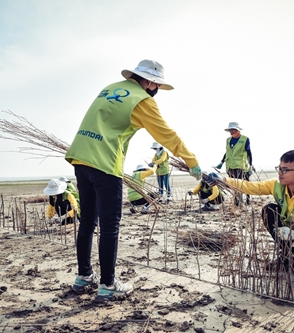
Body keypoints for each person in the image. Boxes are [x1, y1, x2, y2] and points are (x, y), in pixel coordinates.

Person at [64, 59, 201, 298]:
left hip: (80, 157)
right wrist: (193, 162)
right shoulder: (143, 101)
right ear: (149, 82)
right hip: (104, 163)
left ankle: (84, 276)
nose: (157, 90)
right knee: (109, 226)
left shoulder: (110, 88)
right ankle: (107, 284)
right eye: (156, 85)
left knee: (87, 222)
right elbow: (168, 136)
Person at [204, 149, 294, 278]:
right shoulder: (276, 185)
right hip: (288, 228)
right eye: (279, 168)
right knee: (268, 210)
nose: (280, 173)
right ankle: (287, 258)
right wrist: (223, 180)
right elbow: (250, 187)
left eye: (285, 170)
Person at [215, 121, 254, 206]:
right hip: (230, 166)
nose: (231, 132)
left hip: (241, 166)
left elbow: (249, 152)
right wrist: (221, 162)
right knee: (233, 184)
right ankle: (238, 201)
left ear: (237, 130)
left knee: (243, 183)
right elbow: (228, 152)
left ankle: (246, 200)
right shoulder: (228, 140)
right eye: (230, 130)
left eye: (233, 129)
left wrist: (250, 165)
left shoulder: (245, 139)